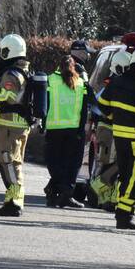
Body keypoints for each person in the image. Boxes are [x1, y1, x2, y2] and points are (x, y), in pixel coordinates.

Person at [97, 46, 135, 230]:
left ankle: (122, 210)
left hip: (119, 137)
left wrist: (117, 119)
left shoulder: (117, 81)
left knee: (124, 174)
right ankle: (125, 215)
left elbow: (103, 106)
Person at [0, 34, 32, 217]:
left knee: (9, 162)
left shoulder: (12, 74)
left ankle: (14, 201)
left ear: (9, 51)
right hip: (15, 125)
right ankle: (12, 199)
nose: (0, 55)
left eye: (3, 51)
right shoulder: (20, 70)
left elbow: (9, 96)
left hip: (10, 126)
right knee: (12, 162)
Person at [44, 55, 90, 208]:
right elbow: (84, 110)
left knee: (56, 163)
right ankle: (64, 194)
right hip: (74, 130)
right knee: (72, 165)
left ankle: (55, 192)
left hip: (53, 128)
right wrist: (81, 128)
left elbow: (45, 103)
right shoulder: (81, 83)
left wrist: (42, 124)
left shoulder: (50, 79)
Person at [89, 49, 131, 211]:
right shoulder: (112, 85)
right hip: (108, 129)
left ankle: (107, 198)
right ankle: (98, 192)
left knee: (114, 163)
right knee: (109, 163)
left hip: (111, 128)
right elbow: (100, 107)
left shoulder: (115, 83)